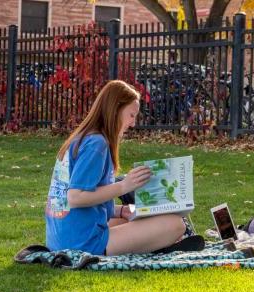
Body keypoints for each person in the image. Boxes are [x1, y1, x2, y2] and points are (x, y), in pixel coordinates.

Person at [45, 80, 188, 256]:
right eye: (131, 115)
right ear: (116, 110)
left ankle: (154, 241)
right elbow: (75, 198)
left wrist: (121, 210)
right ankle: (160, 244)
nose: (133, 123)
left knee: (135, 219)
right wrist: (124, 186)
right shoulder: (97, 144)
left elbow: (79, 198)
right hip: (81, 243)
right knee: (176, 224)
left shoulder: (82, 138)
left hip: (61, 238)